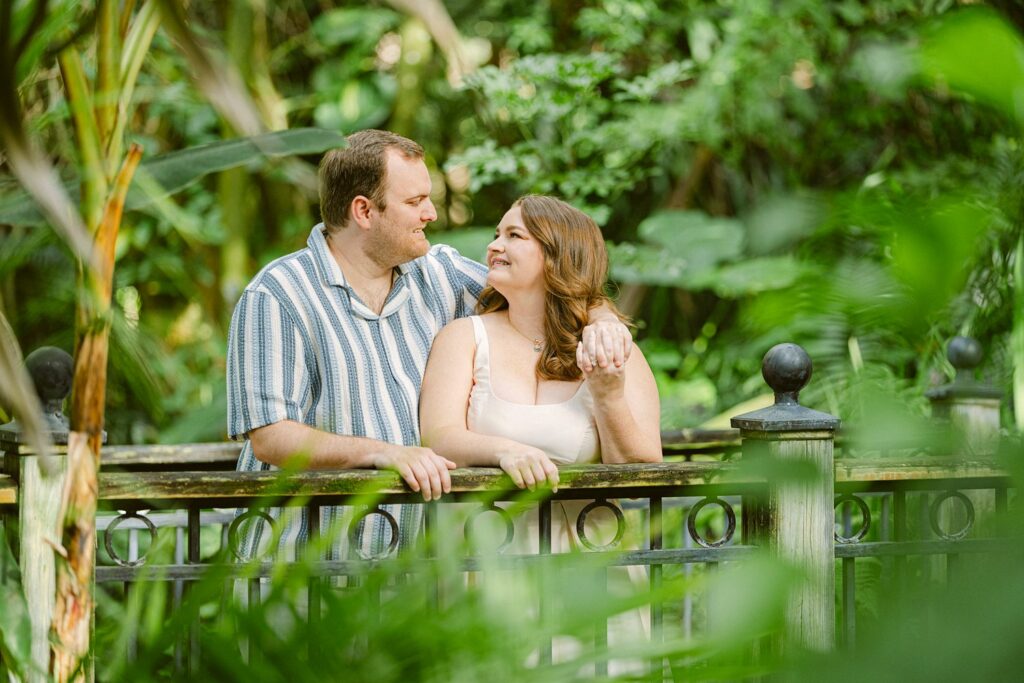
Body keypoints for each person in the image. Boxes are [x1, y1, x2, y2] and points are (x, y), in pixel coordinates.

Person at [226, 131, 631, 560]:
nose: (431, 213)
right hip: (298, 565)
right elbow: (271, 436)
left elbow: (546, 288)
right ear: (363, 211)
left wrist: (603, 320)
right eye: (415, 201)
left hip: (407, 572)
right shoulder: (278, 294)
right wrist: (382, 453)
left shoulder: (439, 273)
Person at [419, 194, 662, 551]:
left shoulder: (612, 348)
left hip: (584, 554)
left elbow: (641, 473)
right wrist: (506, 452)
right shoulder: (463, 337)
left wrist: (608, 397)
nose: (494, 246)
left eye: (514, 236)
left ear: (557, 254)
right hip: (485, 549)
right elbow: (438, 437)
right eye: (497, 234)